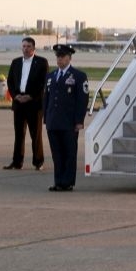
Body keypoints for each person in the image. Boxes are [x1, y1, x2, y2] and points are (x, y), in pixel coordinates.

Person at [42, 44, 89, 192]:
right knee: (57, 154)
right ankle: (58, 181)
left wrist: (79, 121)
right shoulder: (51, 76)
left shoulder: (78, 76)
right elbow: (46, 98)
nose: (59, 59)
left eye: (62, 56)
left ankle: (67, 182)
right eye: (58, 56)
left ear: (69, 58)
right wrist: (46, 117)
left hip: (69, 122)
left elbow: (82, 100)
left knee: (69, 153)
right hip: (53, 121)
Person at [4, 37, 49, 170]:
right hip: (18, 102)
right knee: (19, 134)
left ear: (34, 48)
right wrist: (16, 96)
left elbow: (43, 83)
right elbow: (10, 81)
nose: (26, 49)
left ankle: (38, 162)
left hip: (34, 104)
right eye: (24, 46)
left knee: (35, 135)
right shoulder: (16, 62)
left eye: (28, 46)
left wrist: (30, 96)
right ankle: (17, 162)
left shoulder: (41, 62)